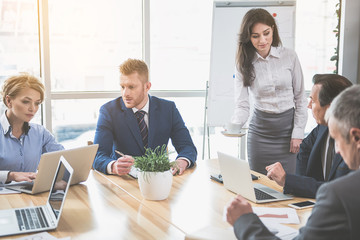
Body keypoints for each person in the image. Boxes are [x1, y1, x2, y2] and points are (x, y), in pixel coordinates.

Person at [226, 85, 360, 240]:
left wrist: (245, 221)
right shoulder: (320, 131)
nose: (337, 151)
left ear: (356, 137)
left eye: (337, 140)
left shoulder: (337, 195)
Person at [231, 8, 308, 175]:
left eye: (266, 33)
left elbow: (301, 98)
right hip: (260, 134)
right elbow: (242, 105)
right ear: (248, 37)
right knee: (260, 187)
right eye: (255, 36)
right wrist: (234, 126)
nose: (262, 40)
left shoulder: (290, 56)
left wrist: (298, 132)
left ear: (273, 29)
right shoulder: (243, 64)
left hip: (288, 133)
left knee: (289, 186)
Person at [93, 59, 197, 176]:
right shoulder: (108, 111)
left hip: (159, 179)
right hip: (124, 182)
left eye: (131, 87)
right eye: (122, 87)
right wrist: (113, 166)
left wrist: (182, 161)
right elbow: (98, 155)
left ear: (147, 86)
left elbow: (187, 147)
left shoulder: (168, 109)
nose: (125, 93)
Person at [266, 74, 352, 198]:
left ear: (331, 107)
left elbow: (337, 192)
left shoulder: (354, 142)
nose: (309, 105)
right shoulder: (323, 126)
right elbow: (304, 148)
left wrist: (287, 180)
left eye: (313, 100)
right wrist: (302, 186)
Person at [0, 74, 64, 184]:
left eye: (37, 103)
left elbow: (64, 159)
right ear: (9, 101)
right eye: (26, 101)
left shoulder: (40, 133)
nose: (33, 109)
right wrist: (11, 175)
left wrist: (53, 183)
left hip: (30, 197)